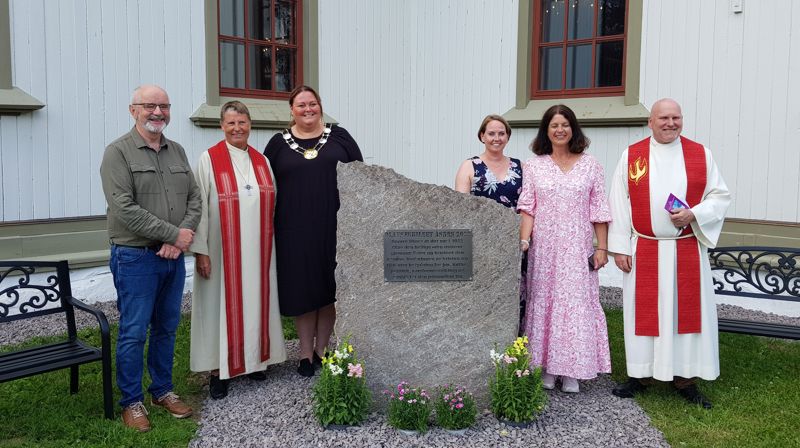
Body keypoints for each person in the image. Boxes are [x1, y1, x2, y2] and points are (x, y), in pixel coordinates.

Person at [608, 98, 731, 409]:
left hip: (686, 248)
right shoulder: (633, 155)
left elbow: (720, 195)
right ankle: (641, 375)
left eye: (676, 117)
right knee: (644, 316)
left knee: (684, 316)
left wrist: (695, 214)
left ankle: (686, 378)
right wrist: (620, 247)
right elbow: (619, 203)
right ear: (650, 122)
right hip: (646, 247)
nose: (670, 123)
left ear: (682, 120)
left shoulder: (700, 154)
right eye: (663, 118)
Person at [100, 84, 201, 431]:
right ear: (133, 110)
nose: (158, 112)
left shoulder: (178, 151)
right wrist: (173, 235)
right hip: (135, 257)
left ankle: (162, 390)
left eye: (164, 106)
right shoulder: (118, 153)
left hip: (171, 258)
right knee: (133, 330)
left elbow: (194, 199)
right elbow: (124, 208)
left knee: (167, 328)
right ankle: (131, 401)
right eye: (149, 106)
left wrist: (180, 238)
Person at [190, 101, 287, 399]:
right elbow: (199, 208)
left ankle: (257, 359)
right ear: (221, 126)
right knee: (220, 306)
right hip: (222, 252)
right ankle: (219, 370)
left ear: (250, 124)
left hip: (258, 252)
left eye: (242, 122)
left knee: (259, 302)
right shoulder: (209, 159)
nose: (237, 128)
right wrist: (201, 250)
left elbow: (274, 206)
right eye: (231, 123)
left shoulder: (261, 161)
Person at [263, 85, 363, 377]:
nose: (308, 109)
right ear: (291, 110)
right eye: (301, 105)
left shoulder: (340, 138)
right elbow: (265, 184)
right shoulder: (278, 144)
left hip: (335, 226)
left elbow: (360, 179)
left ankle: (323, 349)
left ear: (320, 106)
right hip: (293, 229)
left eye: (312, 104)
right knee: (303, 289)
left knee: (328, 288)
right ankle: (305, 353)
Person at [517, 104, 612, 394]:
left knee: (575, 305)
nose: (560, 130)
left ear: (573, 129)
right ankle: (546, 367)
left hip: (577, 247)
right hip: (544, 249)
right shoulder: (534, 166)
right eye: (554, 125)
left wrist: (602, 247)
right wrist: (524, 241)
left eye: (565, 125)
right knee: (544, 303)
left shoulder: (590, 165)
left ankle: (573, 371)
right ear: (546, 131)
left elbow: (599, 208)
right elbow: (527, 208)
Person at [454, 114, 526, 331]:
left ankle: (514, 347)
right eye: (491, 133)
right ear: (482, 136)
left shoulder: (520, 166)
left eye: (501, 133)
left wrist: (524, 237)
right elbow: (460, 209)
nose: (497, 138)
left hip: (515, 243)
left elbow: (528, 205)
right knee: (483, 293)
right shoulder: (470, 166)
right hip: (481, 243)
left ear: (508, 137)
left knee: (515, 293)